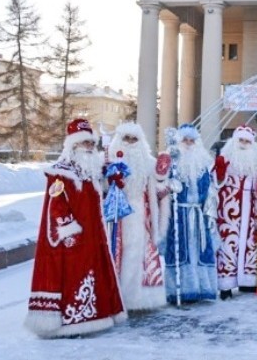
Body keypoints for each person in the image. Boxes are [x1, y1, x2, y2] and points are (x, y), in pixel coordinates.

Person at [24, 119, 125, 337]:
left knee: (93, 273)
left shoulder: (91, 171)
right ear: (72, 145)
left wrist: (111, 183)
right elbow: (56, 204)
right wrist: (68, 229)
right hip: (75, 236)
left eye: (91, 143)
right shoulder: (62, 172)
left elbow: (95, 198)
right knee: (74, 276)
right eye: (84, 143)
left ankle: (96, 316)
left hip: (94, 236)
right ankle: (73, 320)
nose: (89, 147)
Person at [105, 122, 169, 311]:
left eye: (135, 139)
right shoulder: (108, 159)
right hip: (116, 214)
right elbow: (99, 187)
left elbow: (159, 187)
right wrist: (108, 182)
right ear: (119, 139)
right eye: (127, 138)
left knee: (138, 253)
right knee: (118, 252)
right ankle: (118, 297)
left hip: (141, 213)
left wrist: (164, 179)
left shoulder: (149, 162)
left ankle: (138, 298)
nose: (130, 143)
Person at [163, 123, 218, 303]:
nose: (188, 143)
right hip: (179, 213)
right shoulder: (172, 161)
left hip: (198, 214)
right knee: (181, 252)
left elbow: (210, 190)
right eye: (185, 140)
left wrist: (210, 213)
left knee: (199, 251)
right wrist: (170, 185)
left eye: (191, 140)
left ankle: (202, 288)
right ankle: (181, 290)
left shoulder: (203, 163)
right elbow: (161, 182)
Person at [213, 125, 257, 299]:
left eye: (247, 141)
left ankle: (248, 282)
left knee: (250, 244)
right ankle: (225, 285)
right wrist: (219, 174)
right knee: (228, 245)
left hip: (251, 209)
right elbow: (216, 182)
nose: (243, 144)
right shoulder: (226, 158)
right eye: (241, 140)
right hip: (230, 208)